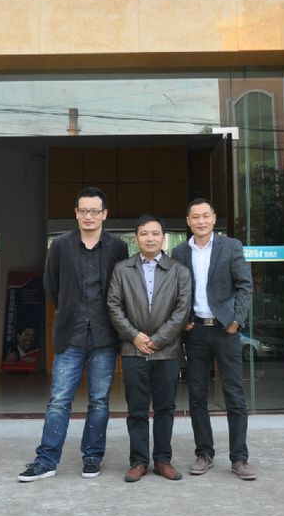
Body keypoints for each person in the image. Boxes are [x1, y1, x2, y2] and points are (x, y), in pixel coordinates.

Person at [18, 187, 129, 482]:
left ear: (105, 214)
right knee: (58, 400)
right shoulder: (61, 246)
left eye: (95, 211)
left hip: (105, 335)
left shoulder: (118, 247)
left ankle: (92, 456)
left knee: (100, 401)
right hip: (70, 334)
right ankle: (46, 460)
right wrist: (69, 309)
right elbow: (51, 285)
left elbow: (123, 287)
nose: (89, 216)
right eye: (84, 210)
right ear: (76, 213)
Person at [171, 197, 257, 481]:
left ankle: (239, 458)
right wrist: (184, 321)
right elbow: (174, 290)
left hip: (225, 330)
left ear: (214, 218)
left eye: (205, 216)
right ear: (188, 221)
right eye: (195, 217)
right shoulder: (179, 252)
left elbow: (244, 285)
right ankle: (204, 453)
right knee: (197, 395)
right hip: (195, 332)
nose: (201, 221)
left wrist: (237, 320)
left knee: (234, 394)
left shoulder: (231, 246)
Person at [106, 214, 192, 483]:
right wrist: (135, 336)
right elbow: (113, 306)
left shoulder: (179, 271)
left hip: (167, 352)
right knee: (137, 410)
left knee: (165, 408)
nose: (150, 238)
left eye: (155, 234)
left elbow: (182, 311)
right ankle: (139, 461)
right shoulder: (122, 269)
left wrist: (157, 340)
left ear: (163, 238)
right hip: (133, 350)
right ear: (136, 238)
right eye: (144, 234)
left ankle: (163, 460)